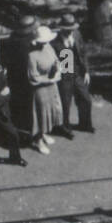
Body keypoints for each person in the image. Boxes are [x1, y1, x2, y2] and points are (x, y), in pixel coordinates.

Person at [53, 13, 93, 134]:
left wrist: (86, 71)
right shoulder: (55, 42)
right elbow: (54, 60)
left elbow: (83, 53)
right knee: (66, 102)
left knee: (86, 99)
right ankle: (66, 128)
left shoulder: (77, 35)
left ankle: (85, 124)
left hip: (78, 72)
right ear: (62, 29)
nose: (70, 32)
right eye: (67, 30)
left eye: (72, 29)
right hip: (65, 73)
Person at [26, 24, 64, 153]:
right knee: (41, 113)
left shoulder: (48, 47)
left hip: (52, 85)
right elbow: (33, 77)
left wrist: (58, 69)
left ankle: (43, 134)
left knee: (51, 111)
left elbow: (56, 60)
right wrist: (50, 80)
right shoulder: (32, 55)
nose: (45, 43)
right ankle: (38, 140)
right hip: (40, 88)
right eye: (43, 41)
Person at [4, 14, 41, 140]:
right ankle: (31, 135)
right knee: (30, 109)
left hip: (16, 80)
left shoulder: (13, 38)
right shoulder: (28, 44)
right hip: (27, 80)